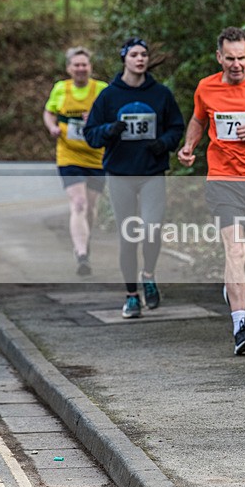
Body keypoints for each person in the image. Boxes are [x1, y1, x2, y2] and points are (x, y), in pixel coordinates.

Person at [177, 27, 245, 355]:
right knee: (235, 252)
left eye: (242, 58)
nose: (236, 64)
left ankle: (233, 283)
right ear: (219, 57)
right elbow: (198, 120)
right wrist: (189, 146)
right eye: (230, 58)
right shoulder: (206, 88)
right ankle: (240, 327)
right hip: (223, 180)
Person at [84, 38, 185, 318]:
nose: (140, 59)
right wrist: (109, 130)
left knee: (152, 228)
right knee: (128, 237)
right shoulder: (108, 96)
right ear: (124, 59)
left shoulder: (161, 94)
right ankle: (131, 296)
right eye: (134, 55)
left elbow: (177, 128)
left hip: (151, 173)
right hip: (120, 174)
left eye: (144, 55)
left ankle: (149, 275)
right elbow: (90, 134)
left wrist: (163, 143)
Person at [43, 47, 108, 276]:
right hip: (69, 154)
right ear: (69, 68)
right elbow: (49, 112)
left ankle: (84, 240)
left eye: (84, 64)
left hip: (96, 156)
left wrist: (98, 119)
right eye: (76, 65)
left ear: (90, 67)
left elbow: (114, 115)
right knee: (78, 203)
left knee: (90, 208)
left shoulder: (101, 89)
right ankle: (81, 253)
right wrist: (52, 127)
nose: (81, 69)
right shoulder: (61, 89)